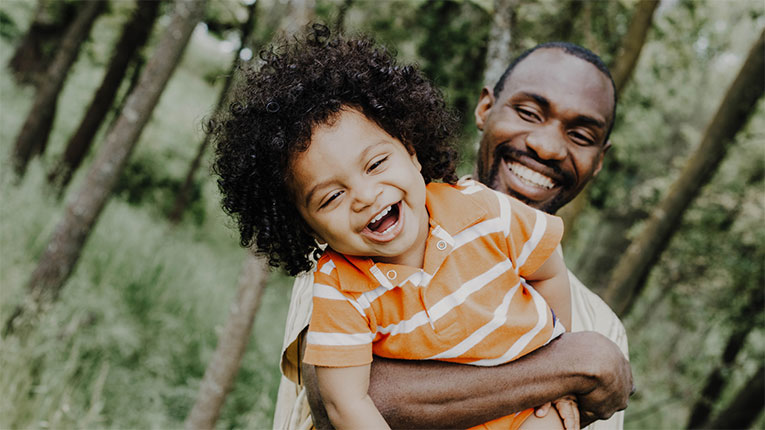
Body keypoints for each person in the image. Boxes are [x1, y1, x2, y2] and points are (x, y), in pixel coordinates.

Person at [214, 26, 582, 430]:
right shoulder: (342, 288)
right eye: (331, 197)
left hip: (527, 417)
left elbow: (548, 264)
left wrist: (558, 366)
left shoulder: (481, 210)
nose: (365, 195)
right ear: (307, 227)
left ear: (411, 151)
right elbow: (345, 404)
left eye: (375, 164)